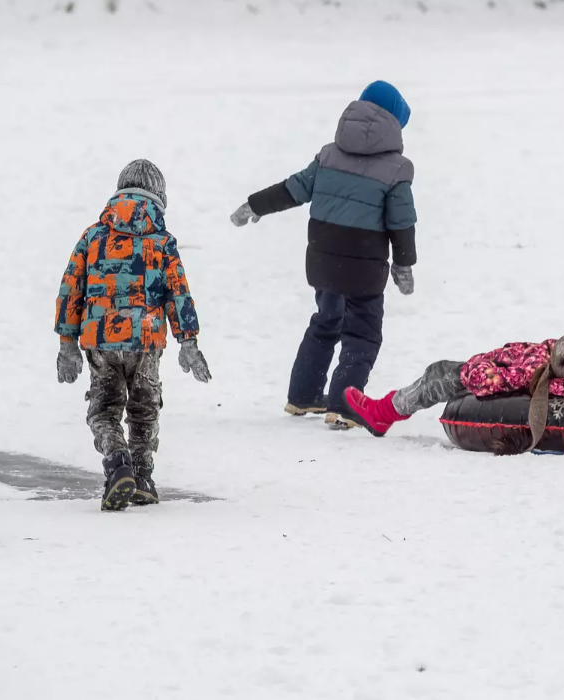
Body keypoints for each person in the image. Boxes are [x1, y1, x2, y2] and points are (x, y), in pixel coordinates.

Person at [229, 80, 417, 429]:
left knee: (325, 322)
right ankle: (345, 407)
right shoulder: (396, 169)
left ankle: (302, 396)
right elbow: (402, 221)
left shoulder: (329, 155)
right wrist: (404, 264)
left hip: (323, 261)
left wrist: (255, 205)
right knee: (362, 334)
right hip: (363, 267)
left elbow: (293, 188)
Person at [54, 159, 211, 511]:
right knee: (144, 409)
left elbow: (71, 290)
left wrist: (67, 343)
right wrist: (189, 341)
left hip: (101, 340)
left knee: (105, 410)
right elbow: (178, 293)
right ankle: (141, 476)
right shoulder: (163, 242)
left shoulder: (93, 237)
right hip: (146, 341)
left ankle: (117, 462)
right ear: (159, 197)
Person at [337, 333, 564, 453]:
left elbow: (484, 381)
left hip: (496, 369)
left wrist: (477, 366)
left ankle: (383, 413)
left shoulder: (534, 376)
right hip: (529, 361)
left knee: (439, 373)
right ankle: (384, 411)